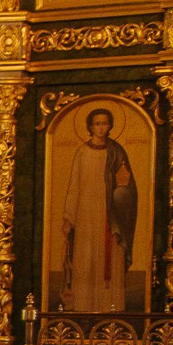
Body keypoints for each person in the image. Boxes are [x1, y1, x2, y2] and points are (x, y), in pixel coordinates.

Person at [61, 107, 137, 313]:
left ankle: (111, 306)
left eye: (104, 123)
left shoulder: (117, 152)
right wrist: (69, 217)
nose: (101, 128)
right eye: (97, 124)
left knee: (110, 257)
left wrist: (121, 192)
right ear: (90, 127)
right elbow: (74, 186)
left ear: (110, 125)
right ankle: (83, 306)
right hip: (85, 213)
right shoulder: (82, 153)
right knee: (85, 258)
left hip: (111, 214)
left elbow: (127, 186)